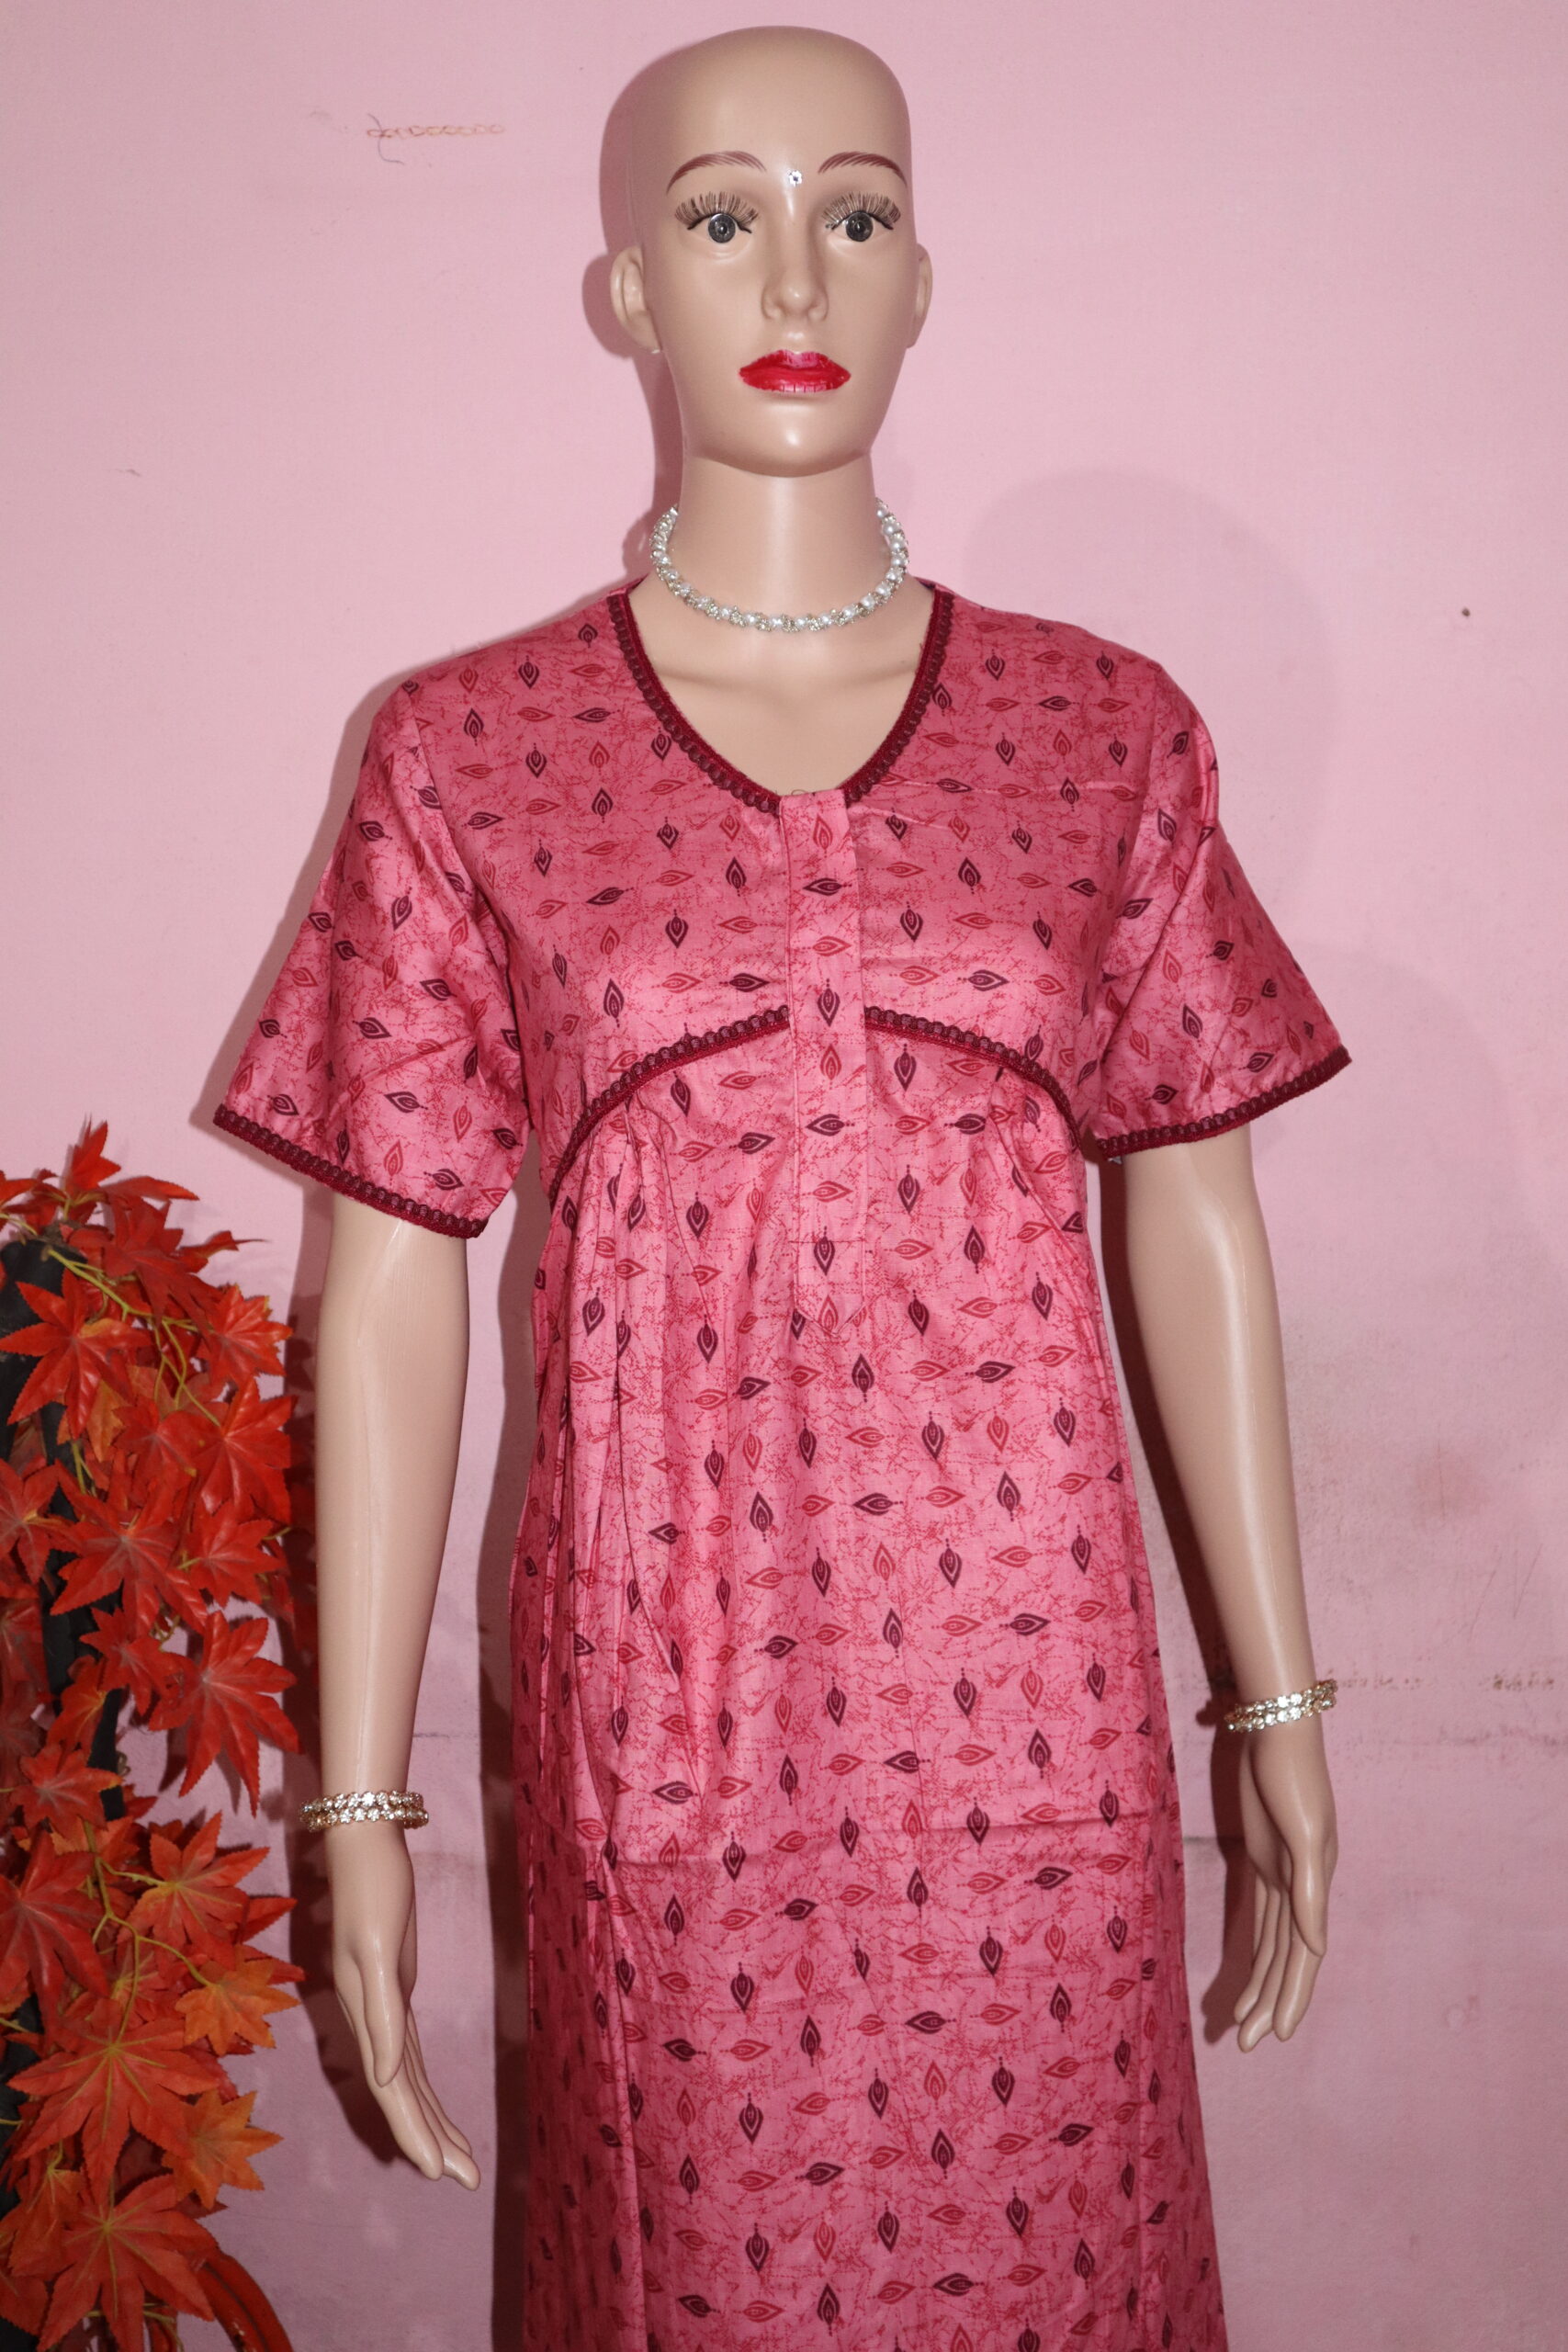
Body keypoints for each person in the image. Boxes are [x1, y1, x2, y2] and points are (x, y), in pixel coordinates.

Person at [214, 27, 1348, 2350]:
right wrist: (357, 1806)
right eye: (720, 216)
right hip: (672, 1706)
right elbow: (390, 1275)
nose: (795, 275)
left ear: (922, 275)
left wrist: (1268, 1700)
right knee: (695, 2262)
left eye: (855, 210)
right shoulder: (462, 750)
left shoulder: (1102, 728)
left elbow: (1196, 1212)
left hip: (1034, 1705)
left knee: (1062, 2255)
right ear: (627, 291)